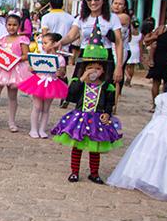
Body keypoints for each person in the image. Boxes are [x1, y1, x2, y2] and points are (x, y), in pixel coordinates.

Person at [50, 29, 123, 183]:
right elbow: (71, 96)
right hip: (80, 118)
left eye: (98, 68)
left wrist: (107, 113)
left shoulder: (106, 86)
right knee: (77, 147)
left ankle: (94, 173)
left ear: (103, 70)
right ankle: (74, 171)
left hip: (97, 120)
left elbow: (110, 102)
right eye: (90, 68)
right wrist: (82, 79)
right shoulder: (79, 83)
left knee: (95, 148)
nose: (94, 71)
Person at [107, 56, 167, 200]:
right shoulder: (163, 98)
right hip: (160, 129)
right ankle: (150, 179)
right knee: (155, 154)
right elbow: (157, 115)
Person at [59, 0, 124, 85]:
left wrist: (119, 66)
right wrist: (59, 43)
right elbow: (70, 36)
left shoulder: (112, 18)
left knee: (105, 90)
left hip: (105, 56)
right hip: (86, 55)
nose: (93, 3)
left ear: (103, 0)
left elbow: (119, 42)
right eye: (89, 0)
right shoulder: (81, 18)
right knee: (79, 87)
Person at [0, 14, 32, 132]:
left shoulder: (22, 39)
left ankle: (11, 121)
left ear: (19, 26)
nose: (12, 27)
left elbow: (26, 55)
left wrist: (15, 59)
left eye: (14, 25)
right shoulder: (2, 39)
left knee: (12, 97)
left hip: (14, 69)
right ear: (6, 25)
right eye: (9, 25)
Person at [18, 32, 68, 139]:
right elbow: (32, 68)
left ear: (54, 43)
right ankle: (33, 129)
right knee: (37, 106)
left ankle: (42, 129)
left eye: (46, 43)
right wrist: (32, 68)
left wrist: (60, 72)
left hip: (52, 83)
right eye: (43, 43)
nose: (43, 45)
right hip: (39, 82)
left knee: (46, 108)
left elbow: (63, 73)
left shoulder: (60, 58)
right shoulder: (39, 54)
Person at [143, 14, 167, 108]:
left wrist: (155, 37)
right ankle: (165, 104)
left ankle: (155, 105)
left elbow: (148, 41)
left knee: (156, 82)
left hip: (159, 57)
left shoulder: (162, 29)